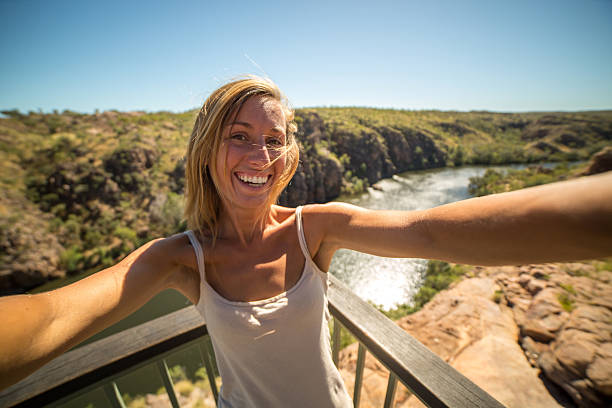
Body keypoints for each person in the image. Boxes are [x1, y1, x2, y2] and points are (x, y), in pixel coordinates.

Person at [1, 76, 612, 406]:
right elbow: (55, 312)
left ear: (287, 152)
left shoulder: (311, 227)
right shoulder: (181, 258)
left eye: (274, 139)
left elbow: (428, 229)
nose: (259, 155)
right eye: (239, 135)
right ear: (207, 148)